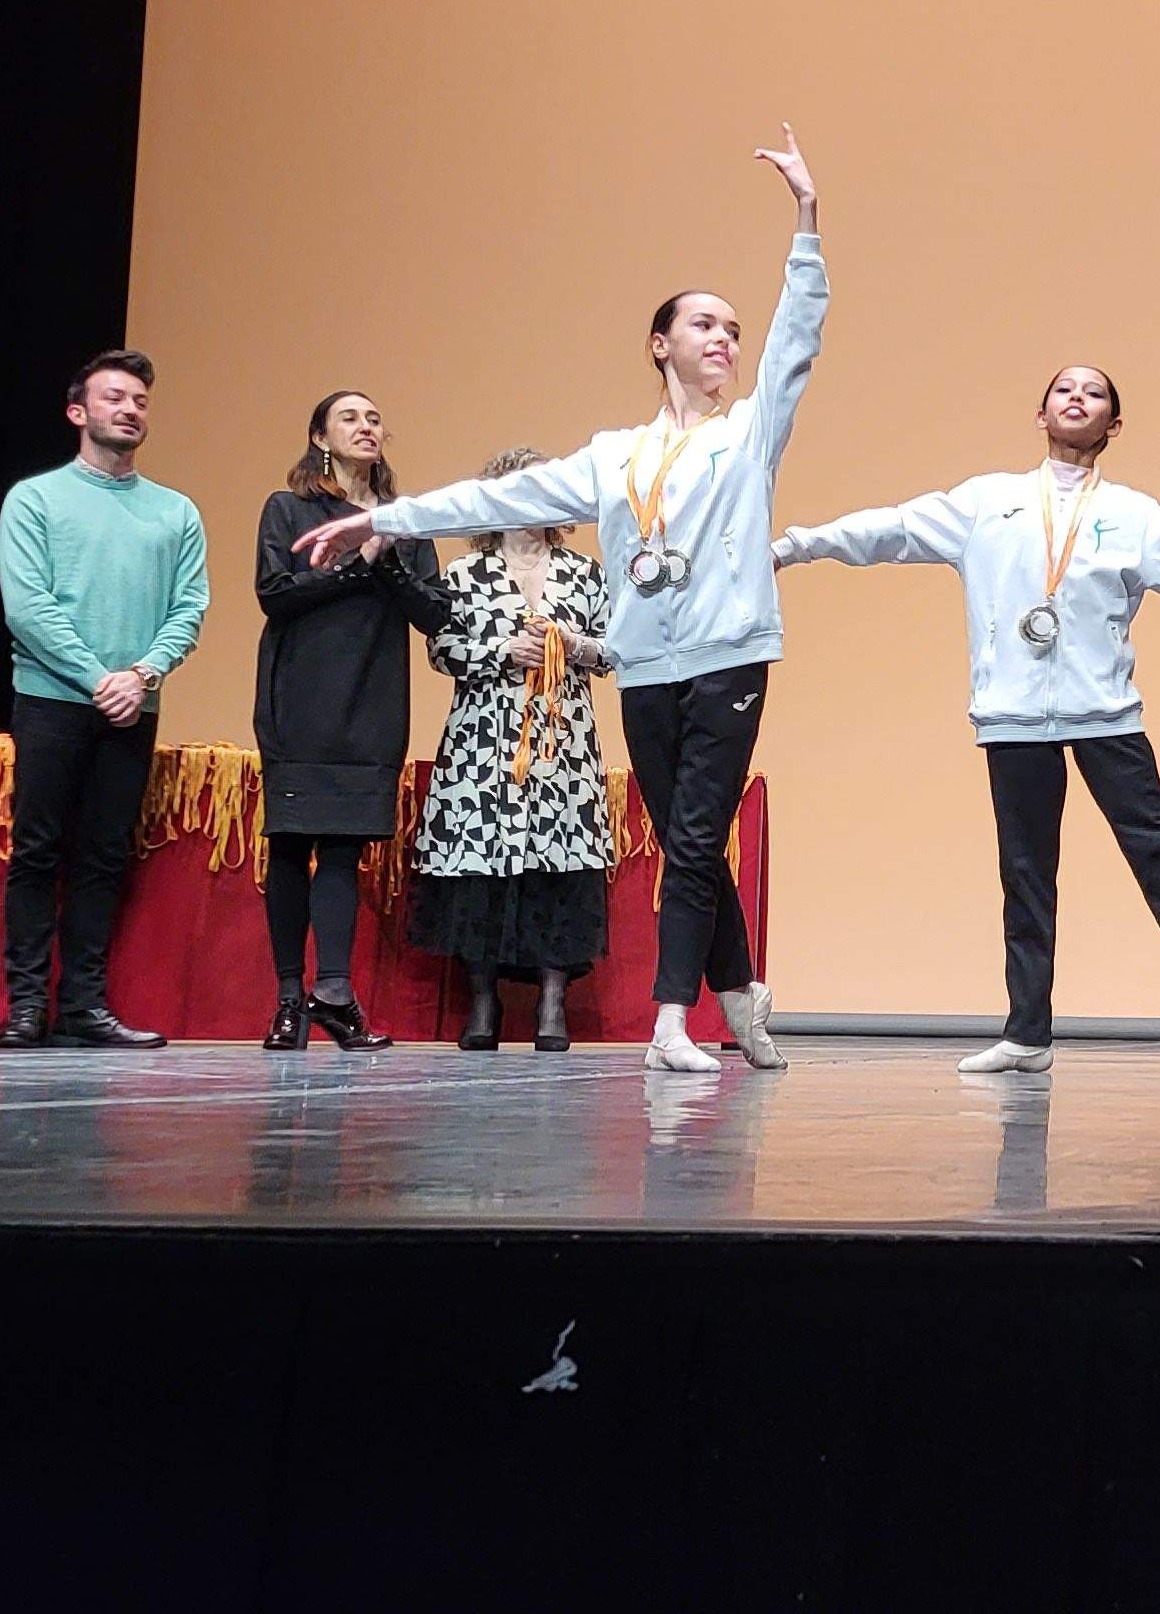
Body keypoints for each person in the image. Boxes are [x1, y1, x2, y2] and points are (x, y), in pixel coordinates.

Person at [298, 124, 827, 1077]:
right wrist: (384, 519)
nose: (726, 340)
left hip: (730, 654)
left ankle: (675, 1021)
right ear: (659, 344)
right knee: (684, 839)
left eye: (734, 330)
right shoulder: (612, 455)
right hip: (649, 664)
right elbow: (493, 500)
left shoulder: (749, 433)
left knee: (698, 836)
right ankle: (744, 994)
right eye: (705, 325)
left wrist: (805, 220)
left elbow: (796, 345)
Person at [773, 364, 1160, 1076]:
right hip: (1014, 717)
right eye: (1064, 390)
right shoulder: (987, 503)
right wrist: (796, 544)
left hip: (1104, 715)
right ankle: (1027, 1034)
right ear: (1042, 414)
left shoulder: (1132, 515)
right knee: (1026, 877)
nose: (1077, 399)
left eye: (1094, 394)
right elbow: (891, 529)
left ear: (1112, 426)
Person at [0, 350, 206, 1051]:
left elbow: (189, 608)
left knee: (104, 857)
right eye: (115, 397)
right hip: (53, 701)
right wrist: (98, 678)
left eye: (140, 400)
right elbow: (29, 608)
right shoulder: (35, 498)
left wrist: (140, 675)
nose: (130, 409)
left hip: (133, 704)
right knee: (38, 851)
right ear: (78, 412)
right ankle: (26, 1006)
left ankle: (83, 1005)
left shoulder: (175, 512)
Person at [251, 390, 446, 1051]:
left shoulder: (403, 522)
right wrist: (354, 564)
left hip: (371, 703)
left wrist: (384, 554)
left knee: (343, 850)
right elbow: (274, 594)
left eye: (373, 418)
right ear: (320, 438)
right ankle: (286, 1000)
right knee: (290, 843)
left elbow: (435, 614)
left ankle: (332, 994)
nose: (366, 427)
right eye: (349, 418)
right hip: (300, 701)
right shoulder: (290, 509)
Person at [409, 446, 616, 1052]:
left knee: (561, 868)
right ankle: (483, 1002)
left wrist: (570, 646)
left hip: (562, 741)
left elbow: (616, 649)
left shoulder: (584, 572)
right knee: (479, 870)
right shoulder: (462, 577)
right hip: (482, 743)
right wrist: (502, 652)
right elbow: (442, 651)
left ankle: (554, 1003)